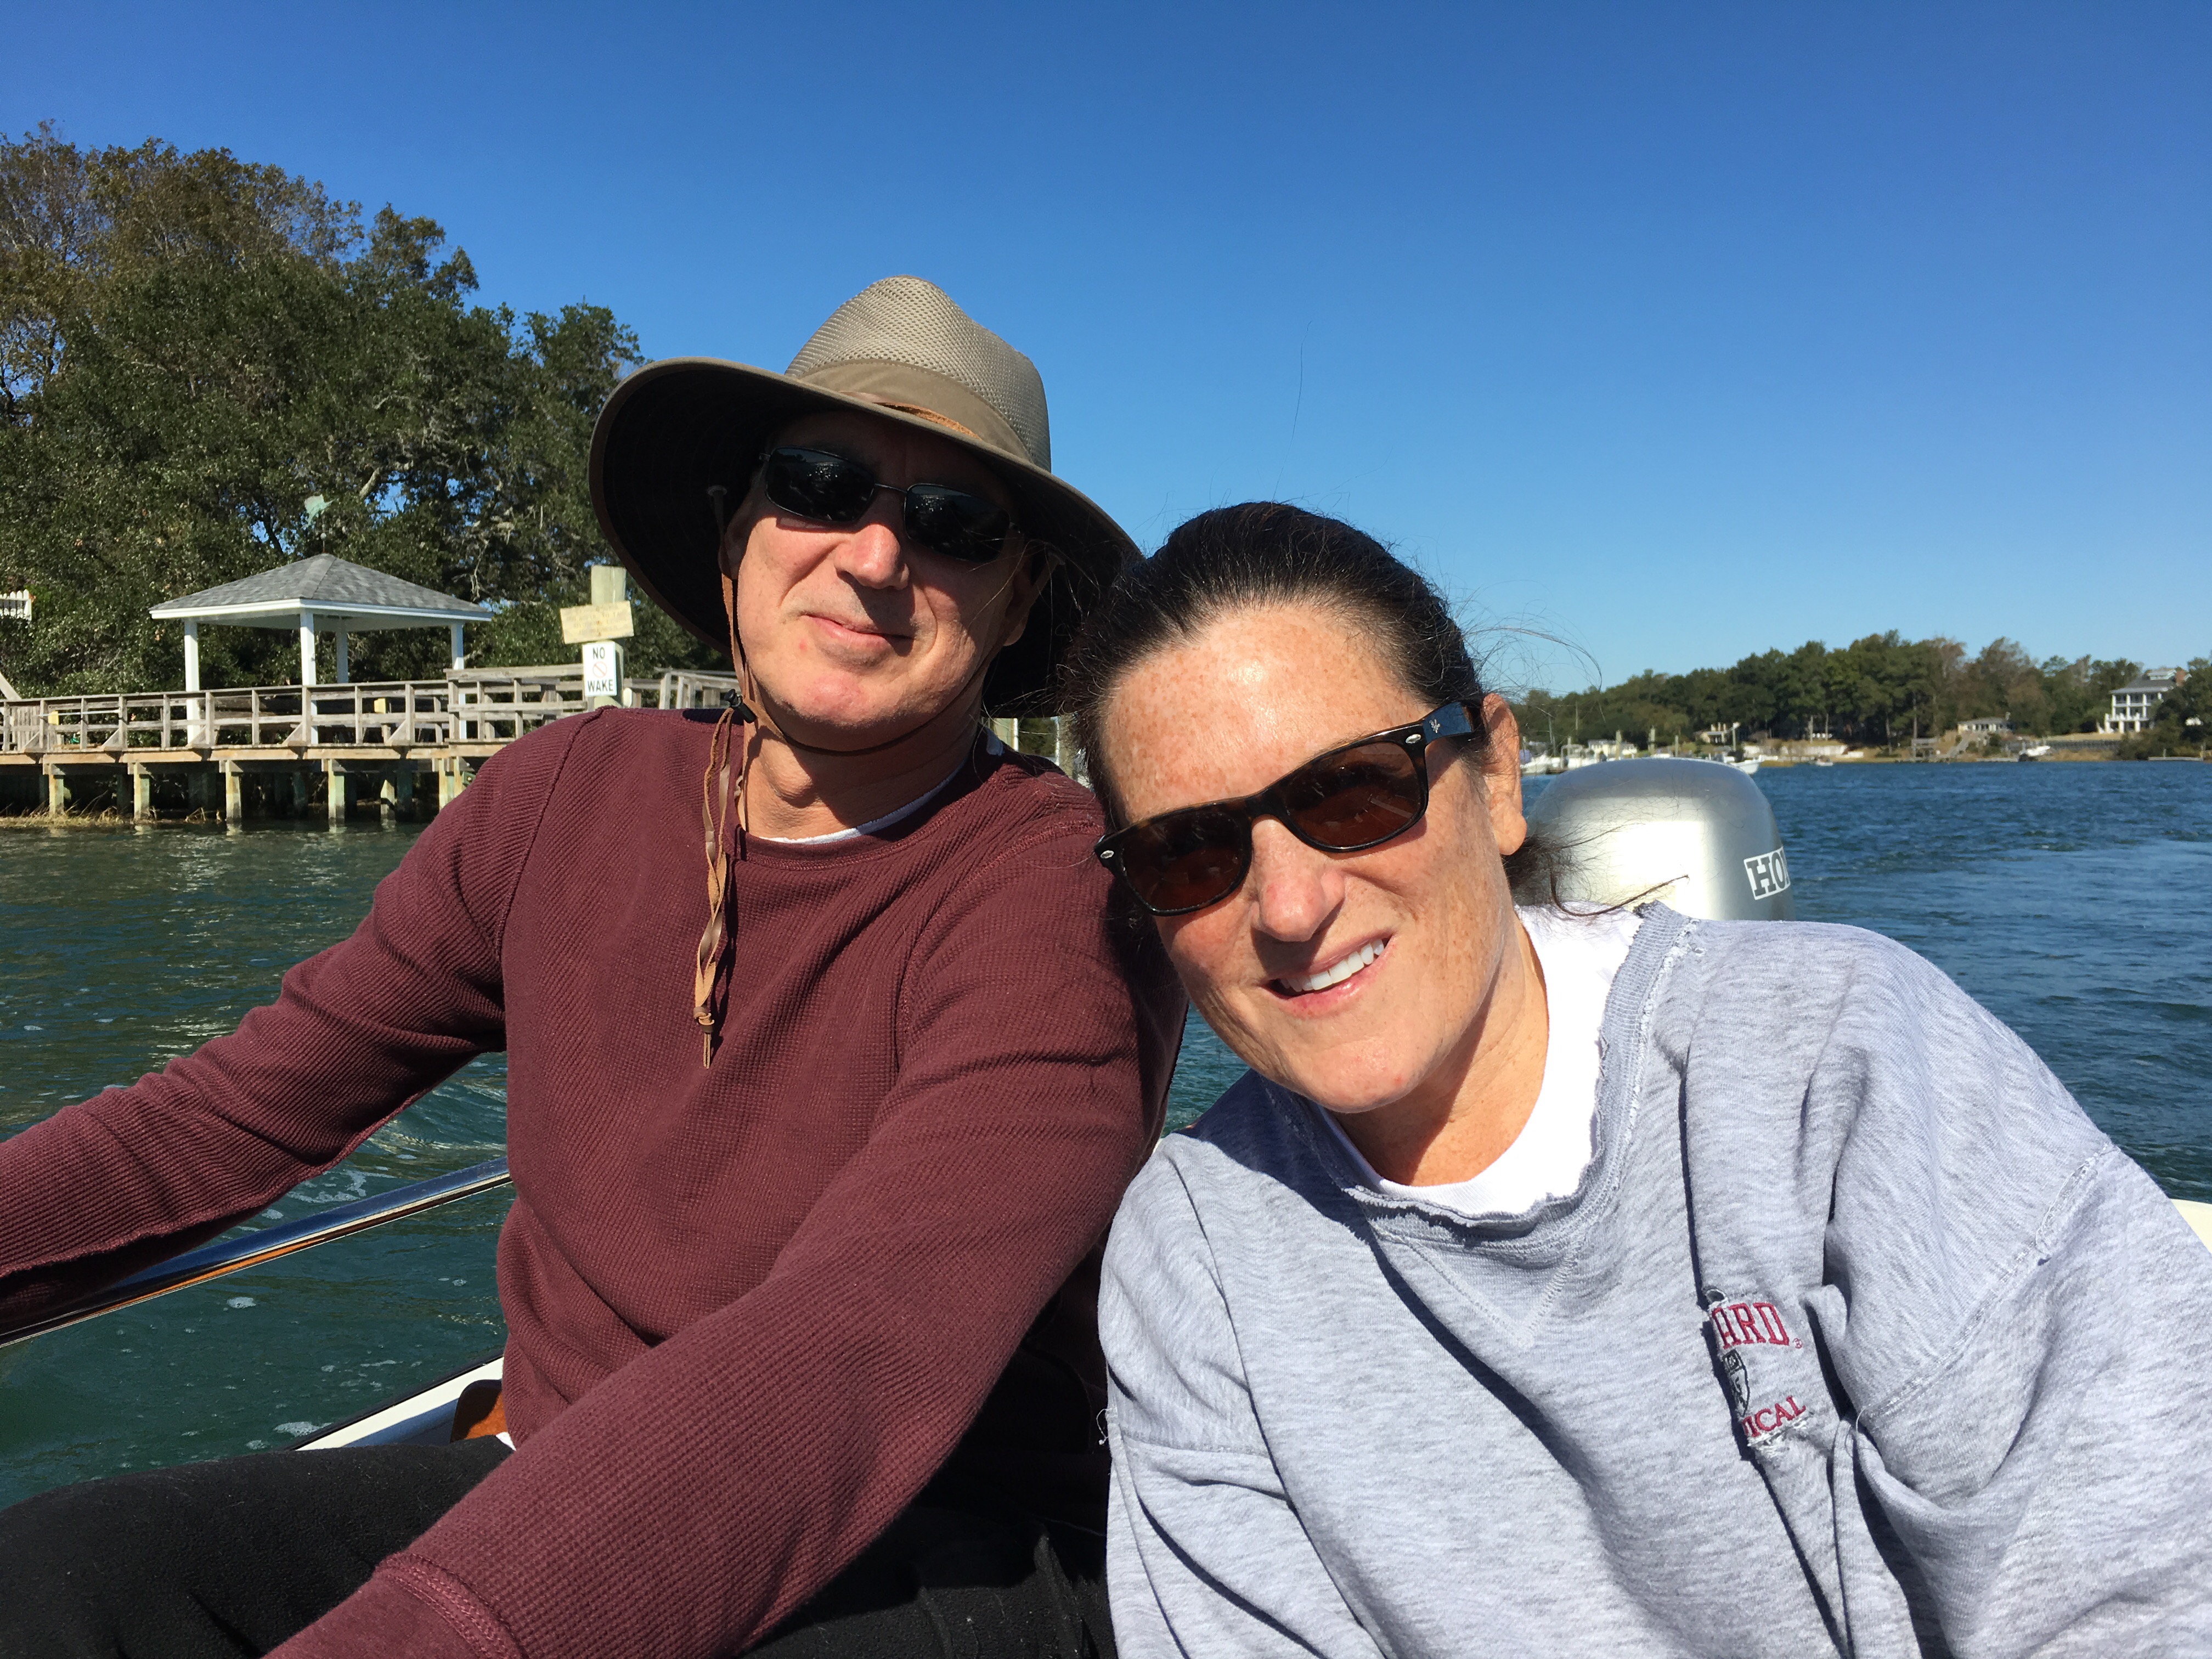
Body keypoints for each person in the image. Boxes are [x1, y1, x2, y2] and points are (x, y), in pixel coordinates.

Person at [0, 276, 1184, 1658]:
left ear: (1018, 596)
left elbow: (862, 1340)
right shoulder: (566, 792)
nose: (873, 555)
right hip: (556, 1469)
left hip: (941, 1539)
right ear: (736, 527)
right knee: (62, 1578)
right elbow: (234, 1112)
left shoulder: (1061, 893)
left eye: (954, 523)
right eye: (819, 485)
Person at [1062, 501, 2212, 1657]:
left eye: (1352, 793)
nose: (1290, 906)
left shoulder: (1840, 1069)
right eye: (1188, 851)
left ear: (1496, 776)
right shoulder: (1197, 1256)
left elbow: (2136, 1592)